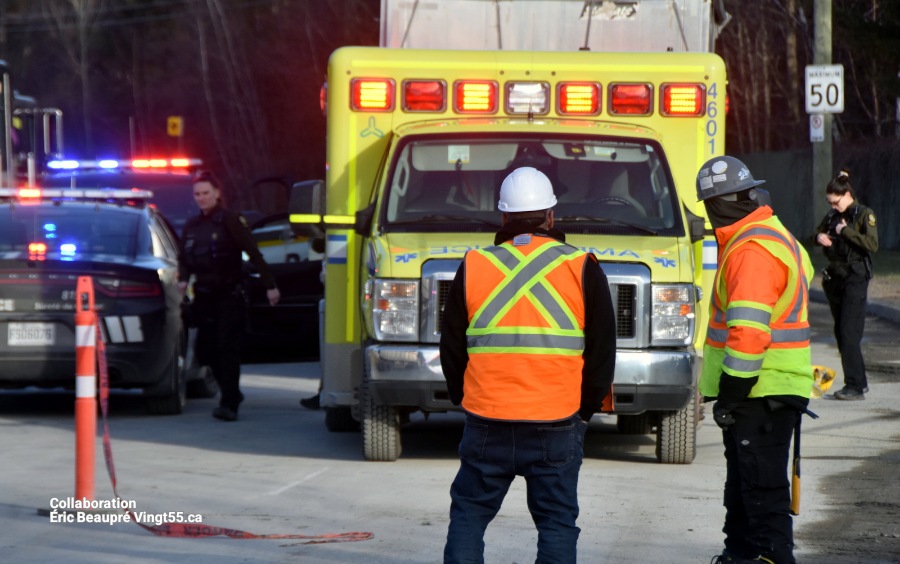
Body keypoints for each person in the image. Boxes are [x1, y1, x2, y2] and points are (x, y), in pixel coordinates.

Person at [439, 166, 617, 563]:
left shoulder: (475, 263)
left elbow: (451, 344)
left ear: (504, 216)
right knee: (556, 522)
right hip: (556, 419)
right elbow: (602, 350)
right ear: (551, 216)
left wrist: (460, 397)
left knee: (469, 515)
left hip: (487, 418)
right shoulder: (581, 265)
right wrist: (585, 412)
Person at [697, 156, 815, 564]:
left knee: (762, 489)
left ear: (717, 205)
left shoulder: (751, 250)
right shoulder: (774, 236)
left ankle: (770, 557)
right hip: (771, 388)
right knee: (746, 485)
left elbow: (749, 335)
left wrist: (730, 395)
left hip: (760, 389)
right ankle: (740, 554)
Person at [178, 170, 280, 421]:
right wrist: (182, 279)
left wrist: (270, 285)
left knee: (227, 347)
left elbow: (253, 253)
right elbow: (185, 259)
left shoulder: (231, 221)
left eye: (206, 193)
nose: (201, 198)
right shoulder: (192, 226)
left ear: (216, 193)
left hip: (229, 294)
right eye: (197, 194)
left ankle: (229, 402)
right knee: (206, 350)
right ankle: (231, 391)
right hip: (204, 295)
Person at [814, 169, 878, 401]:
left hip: (855, 278)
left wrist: (846, 231)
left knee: (849, 333)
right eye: (830, 202)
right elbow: (817, 231)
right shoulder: (833, 215)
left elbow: (872, 244)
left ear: (848, 194)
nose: (833, 206)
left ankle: (854, 386)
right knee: (841, 333)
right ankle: (859, 381)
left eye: (836, 201)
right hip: (836, 278)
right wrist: (819, 237)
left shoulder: (864, 214)